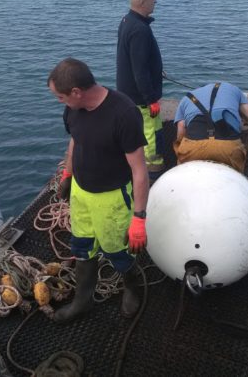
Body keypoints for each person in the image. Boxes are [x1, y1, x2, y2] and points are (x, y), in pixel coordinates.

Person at [47, 58, 149, 323]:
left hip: (113, 198)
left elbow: (139, 170)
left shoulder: (124, 114)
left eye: (60, 96)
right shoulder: (73, 110)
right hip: (82, 193)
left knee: (118, 251)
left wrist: (139, 218)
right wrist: (68, 174)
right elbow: (75, 140)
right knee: (83, 248)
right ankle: (82, 301)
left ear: (77, 92)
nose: (59, 101)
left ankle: (132, 288)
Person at [116, 0, 164, 182]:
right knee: (150, 134)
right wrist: (150, 99)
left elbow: (135, 61)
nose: (156, 1)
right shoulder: (140, 31)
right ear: (144, 2)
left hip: (128, 93)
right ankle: (152, 174)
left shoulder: (127, 21)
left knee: (147, 130)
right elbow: (139, 70)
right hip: (141, 98)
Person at [173, 81, 248, 172]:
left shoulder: (187, 98)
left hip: (193, 147)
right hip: (228, 149)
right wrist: (247, 150)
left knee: (182, 167)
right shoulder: (234, 90)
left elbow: (181, 131)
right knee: (235, 174)